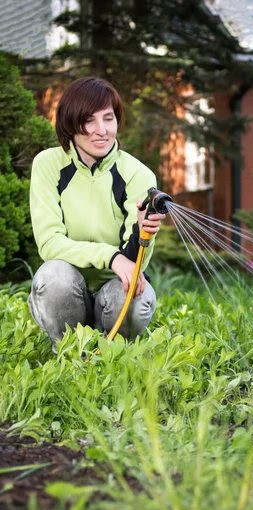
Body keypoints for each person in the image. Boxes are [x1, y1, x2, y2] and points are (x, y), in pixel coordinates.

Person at [28, 77, 166, 353]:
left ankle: (113, 352)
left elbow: (132, 267)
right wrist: (110, 257)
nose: (101, 131)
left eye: (108, 118)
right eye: (89, 120)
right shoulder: (48, 165)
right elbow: (49, 243)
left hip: (112, 291)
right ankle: (66, 351)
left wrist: (141, 234)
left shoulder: (139, 175)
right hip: (67, 288)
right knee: (53, 276)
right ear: (70, 123)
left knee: (138, 298)